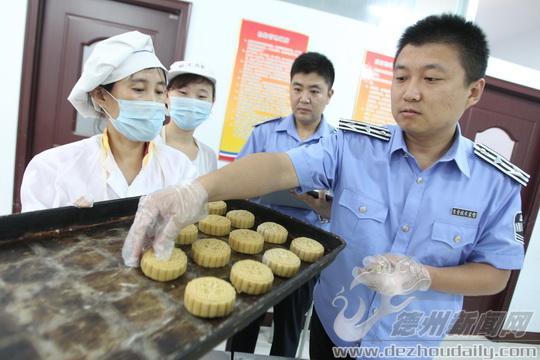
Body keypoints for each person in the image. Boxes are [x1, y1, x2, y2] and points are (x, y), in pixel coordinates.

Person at [122, 14, 528, 359]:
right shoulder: (353, 146)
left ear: (473, 90)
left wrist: (424, 276)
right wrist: (196, 189)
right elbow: (278, 167)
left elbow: (495, 275)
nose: (411, 91)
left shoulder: (495, 183)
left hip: (410, 342)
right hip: (333, 327)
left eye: (432, 78)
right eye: (401, 76)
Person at [227, 52, 335, 357]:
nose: (304, 98)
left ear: (329, 95)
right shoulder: (264, 133)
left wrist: (321, 202)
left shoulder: (337, 145)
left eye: (314, 90)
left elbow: (341, 201)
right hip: (256, 240)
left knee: (288, 328)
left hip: (308, 247)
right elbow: (239, 183)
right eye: (297, 88)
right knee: (244, 322)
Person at [21, 31, 196, 212]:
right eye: (139, 89)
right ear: (100, 95)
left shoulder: (180, 168)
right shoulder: (52, 168)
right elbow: (33, 237)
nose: (153, 101)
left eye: (159, 92)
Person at [156, 61, 218, 176]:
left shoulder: (209, 157)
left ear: (212, 102)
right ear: (166, 95)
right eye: (183, 92)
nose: (192, 102)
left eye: (201, 96)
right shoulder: (147, 143)